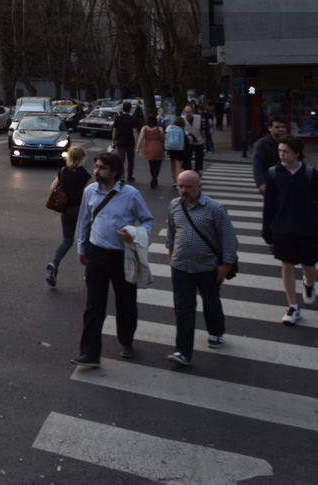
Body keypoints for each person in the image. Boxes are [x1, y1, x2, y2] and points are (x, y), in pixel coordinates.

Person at [71, 152, 155, 368]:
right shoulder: (90, 191)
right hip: (96, 253)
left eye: (102, 168)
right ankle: (89, 353)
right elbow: (84, 221)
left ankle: (126, 341)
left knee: (125, 302)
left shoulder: (131, 194)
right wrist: (82, 248)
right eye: (96, 167)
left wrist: (135, 233)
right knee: (94, 304)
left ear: (115, 172)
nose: (97, 172)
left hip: (122, 255)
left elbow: (148, 221)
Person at [164, 170, 237, 367]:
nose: (183, 190)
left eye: (188, 186)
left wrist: (226, 265)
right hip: (181, 266)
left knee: (211, 302)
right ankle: (182, 351)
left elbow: (228, 238)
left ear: (199, 187)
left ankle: (216, 331)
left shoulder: (215, 209)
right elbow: (171, 231)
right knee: (183, 309)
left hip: (208, 267)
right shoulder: (174, 205)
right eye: (180, 186)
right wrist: (171, 253)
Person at [262, 137, 318, 326]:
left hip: (308, 228)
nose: (281, 154)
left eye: (285, 151)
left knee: (309, 267)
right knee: (287, 265)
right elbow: (269, 205)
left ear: (297, 153)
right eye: (280, 151)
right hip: (283, 228)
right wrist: (266, 230)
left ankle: (308, 285)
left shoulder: (311, 174)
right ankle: (293, 306)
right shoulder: (274, 173)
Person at [45, 144, 90, 288]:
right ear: (83, 158)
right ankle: (89, 273)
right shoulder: (85, 175)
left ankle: (54, 264)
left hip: (67, 210)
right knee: (87, 241)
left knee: (67, 241)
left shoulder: (63, 171)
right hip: (81, 210)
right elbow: (89, 194)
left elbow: (52, 188)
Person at [251, 118, 289, 195]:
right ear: (269, 128)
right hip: (270, 181)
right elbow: (257, 164)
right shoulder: (262, 144)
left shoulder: (289, 142)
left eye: (283, 127)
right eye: (277, 127)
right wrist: (261, 183)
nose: (281, 129)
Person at [112, 102, 138, 183]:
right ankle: (130, 176)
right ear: (130, 109)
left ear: (123, 108)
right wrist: (136, 143)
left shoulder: (118, 118)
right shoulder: (132, 119)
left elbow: (114, 131)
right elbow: (135, 132)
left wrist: (113, 141)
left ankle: (122, 176)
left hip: (120, 142)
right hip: (130, 142)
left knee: (121, 160)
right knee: (131, 160)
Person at [137, 117, 165, 189]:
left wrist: (138, 148)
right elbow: (162, 138)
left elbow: (140, 138)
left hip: (147, 147)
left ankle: (153, 177)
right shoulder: (159, 128)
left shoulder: (144, 128)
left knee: (151, 164)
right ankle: (155, 177)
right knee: (158, 164)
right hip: (158, 146)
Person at [181, 103, 205, 172]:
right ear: (184, 112)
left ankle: (197, 170)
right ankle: (188, 171)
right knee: (187, 157)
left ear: (193, 112)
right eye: (187, 112)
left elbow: (202, 129)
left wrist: (204, 139)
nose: (189, 113)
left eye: (190, 112)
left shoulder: (198, 118)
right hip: (187, 141)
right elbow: (180, 129)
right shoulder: (182, 119)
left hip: (198, 140)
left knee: (200, 155)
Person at [165, 116, 187, 188]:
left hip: (170, 148)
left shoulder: (169, 127)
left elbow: (165, 137)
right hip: (179, 149)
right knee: (178, 166)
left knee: (172, 165)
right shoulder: (181, 129)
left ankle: (174, 181)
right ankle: (178, 183)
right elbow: (183, 140)